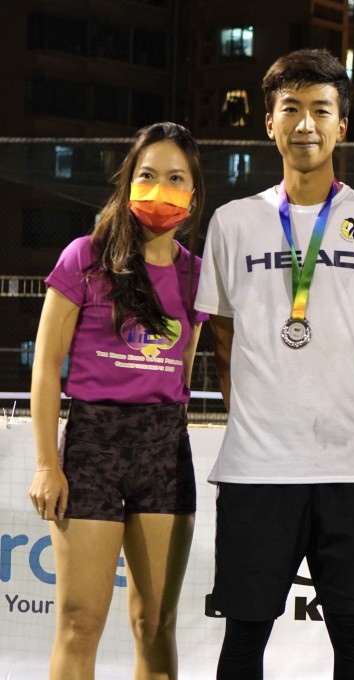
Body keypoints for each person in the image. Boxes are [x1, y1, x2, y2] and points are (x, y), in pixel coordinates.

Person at [195, 49, 354, 680]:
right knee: (245, 638)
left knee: (353, 634)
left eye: (322, 109)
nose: (306, 123)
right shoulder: (233, 223)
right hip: (255, 468)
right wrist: (266, 400)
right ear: (269, 123)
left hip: (345, 465)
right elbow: (223, 334)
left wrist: (338, 388)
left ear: (342, 125)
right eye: (291, 109)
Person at [28, 121, 206, 680]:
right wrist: (46, 464)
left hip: (163, 450)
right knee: (80, 622)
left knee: (155, 624)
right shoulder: (85, 257)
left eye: (175, 178)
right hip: (92, 449)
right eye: (147, 176)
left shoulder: (196, 276)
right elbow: (45, 366)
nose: (160, 190)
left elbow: (182, 371)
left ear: (193, 194)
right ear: (128, 183)